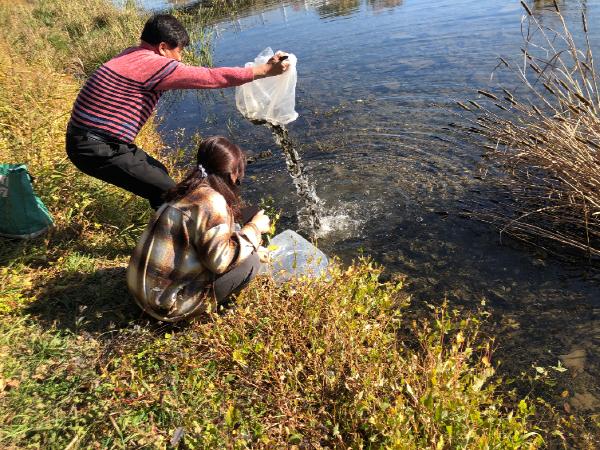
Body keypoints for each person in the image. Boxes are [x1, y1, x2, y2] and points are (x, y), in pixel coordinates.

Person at [66, 14, 289, 209]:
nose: (180, 58)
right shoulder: (154, 64)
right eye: (178, 51)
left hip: (92, 140)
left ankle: (168, 225)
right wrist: (264, 70)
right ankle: (187, 236)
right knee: (174, 195)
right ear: (163, 47)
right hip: (97, 148)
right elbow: (212, 77)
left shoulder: (131, 55)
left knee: (159, 175)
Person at [126, 136, 269, 322]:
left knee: (246, 251)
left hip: (139, 291)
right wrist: (255, 228)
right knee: (250, 263)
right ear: (233, 175)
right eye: (239, 178)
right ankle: (205, 314)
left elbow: (206, 239)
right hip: (164, 306)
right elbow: (220, 262)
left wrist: (250, 244)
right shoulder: (212, 201)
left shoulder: (186, 189)